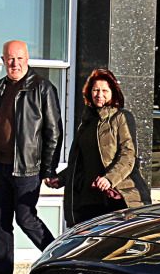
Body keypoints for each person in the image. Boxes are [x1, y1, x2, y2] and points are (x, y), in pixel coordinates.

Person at [0, 40, 62, 274]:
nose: (14, 63)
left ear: (27, 59)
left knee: (26, 218)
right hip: (0, 165)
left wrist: (49, 168)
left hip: (28, 168)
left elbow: (53, 131)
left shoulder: (42, 87)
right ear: (3, 61)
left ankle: (59, 261)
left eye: (19, 58)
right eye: (10, 59)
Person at [45, 69, 148, 225]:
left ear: (113, 93)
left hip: (116, 197)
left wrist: (110, 179)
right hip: (88, 201)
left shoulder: (121, 117)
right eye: (95, 90)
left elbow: (128, 155)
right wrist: (61, 179)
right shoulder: (87, 122)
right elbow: (81, 163)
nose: (100, 94)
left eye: (105, 90)